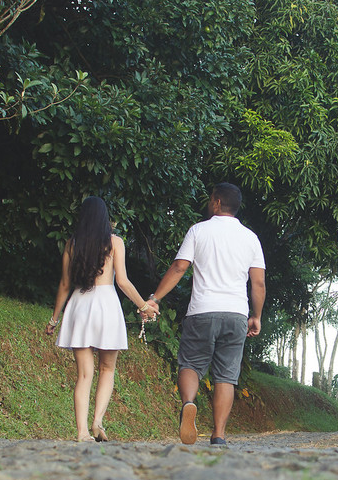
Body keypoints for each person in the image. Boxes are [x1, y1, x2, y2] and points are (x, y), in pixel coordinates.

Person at [147, 183, 266, 446]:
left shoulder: (199, 230)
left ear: (216, 202)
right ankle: (219, 435)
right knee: (226, 375)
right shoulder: (251, 238)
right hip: (236, 313)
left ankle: (189, 403)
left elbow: (179, 267)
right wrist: (256, 315)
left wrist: (155, 298)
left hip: (202, 310)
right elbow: (257, 283)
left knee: (190, 364)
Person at [46, 197, 156, 442]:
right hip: (106, 305)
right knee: (108, 369)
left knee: (85, 374)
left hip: (79, 305)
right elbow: (123, 282)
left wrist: (54, 320)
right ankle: (97, 422)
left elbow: (65, 284)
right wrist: (144, 306)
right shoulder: (115, 242)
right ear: (106, 218)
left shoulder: (72, 244)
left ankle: (82, 432)